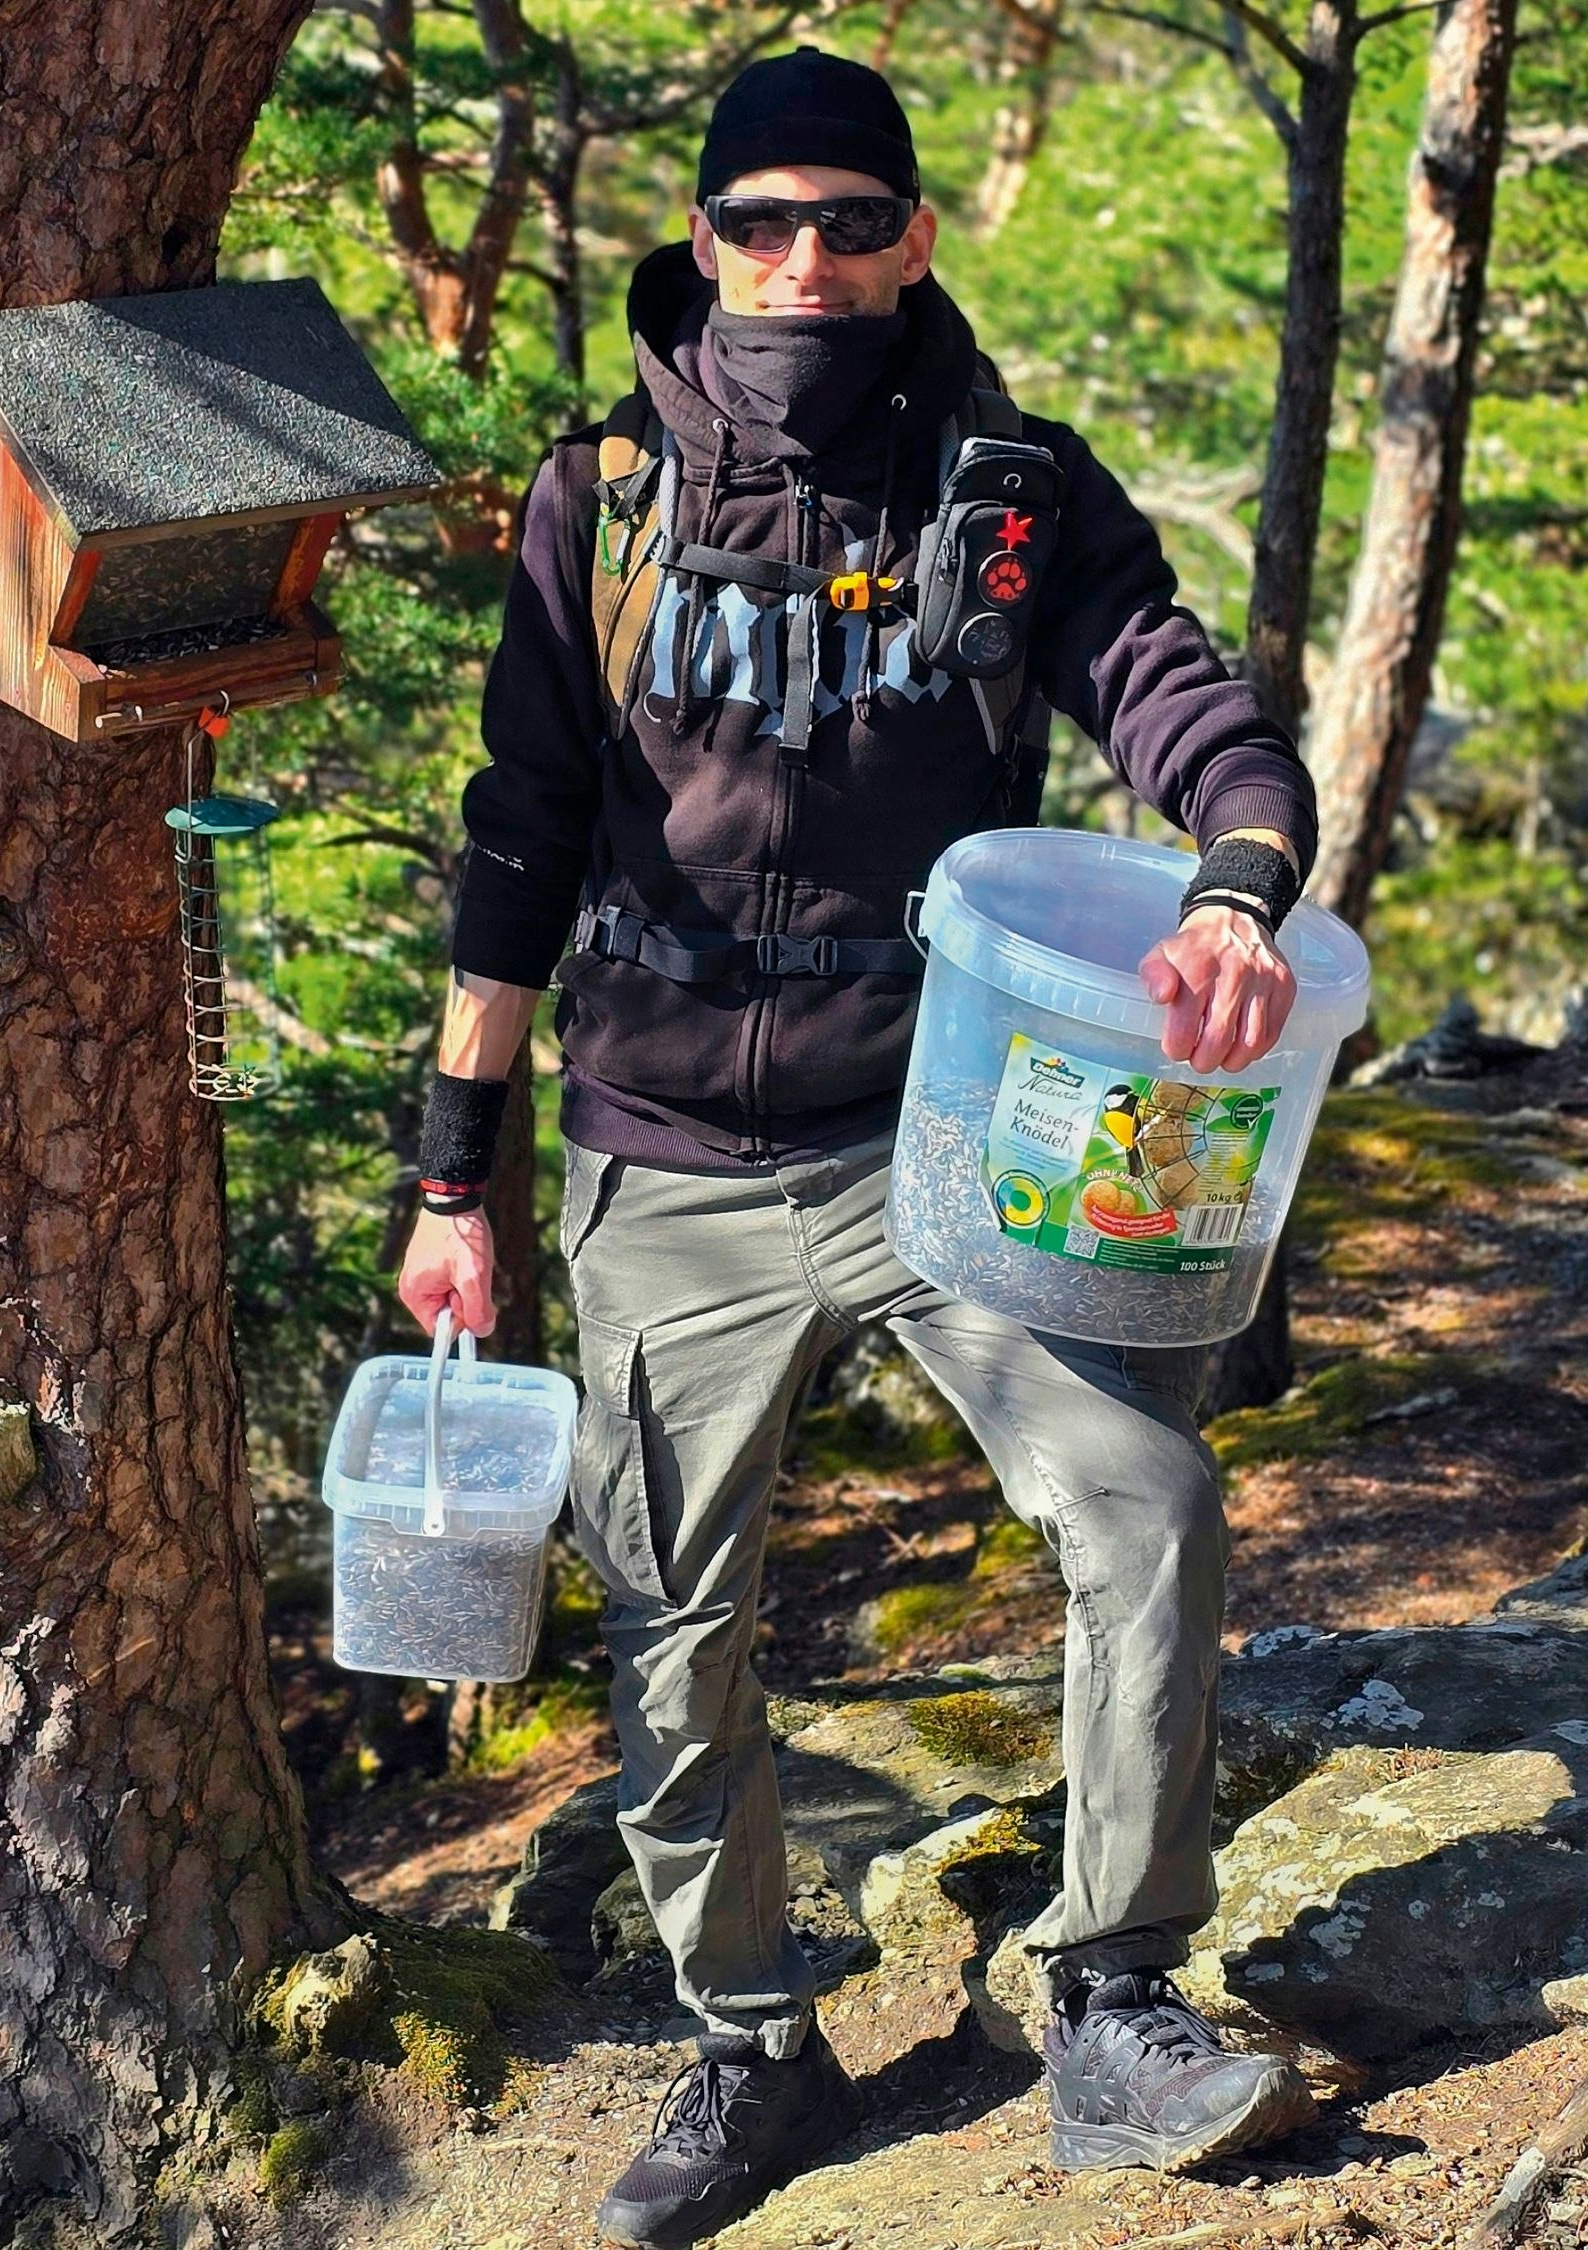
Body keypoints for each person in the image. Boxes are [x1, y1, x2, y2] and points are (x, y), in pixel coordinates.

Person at [394, 49, 1324, 2250]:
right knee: (665, 1621)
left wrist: (1231, 884)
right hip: (650, 1155)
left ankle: (1109, 1992)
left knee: (1142, 1499)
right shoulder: (597, 490)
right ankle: (746, 2046)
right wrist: (451, 1181)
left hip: (941, 1146)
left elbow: (1184, 702)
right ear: (700, 242)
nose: (798, 264)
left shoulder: (1007, 494)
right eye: (755, 225)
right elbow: (514, 842)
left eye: (842, 220)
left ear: (911, 237)